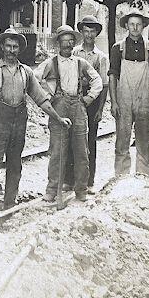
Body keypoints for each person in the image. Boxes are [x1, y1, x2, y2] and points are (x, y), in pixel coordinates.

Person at [0, 28, 70, 218]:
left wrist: (57, 118)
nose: (11, 50)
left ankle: (9, 207)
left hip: (18, 123)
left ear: (19, 49)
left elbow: (41, 99)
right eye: (8, 46)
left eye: (15, 47)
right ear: (2, 47)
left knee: (15, 165)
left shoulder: (26, 72)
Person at [36, 25, 102, 203]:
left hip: (79, 107)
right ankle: (52, 190)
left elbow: (98, 80)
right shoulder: (50, 63)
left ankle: (81, 190)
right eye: (64, 41)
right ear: (58, 43)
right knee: (58, 150)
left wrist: (88, 98)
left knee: (81, 150)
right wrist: (47, 96)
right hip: (59, 107)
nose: (68, 44)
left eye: (71, 41)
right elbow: (34, 79)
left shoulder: (81, 63)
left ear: (74, 43)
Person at [109, 9, 149, 178]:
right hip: (124, 99)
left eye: (138, 24)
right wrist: (114, 102)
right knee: (122, 139)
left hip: (144, 100)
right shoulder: (117, 48)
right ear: (126, 26)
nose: (135, 27)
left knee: (143, 138)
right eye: (131, 24)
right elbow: (112, 75)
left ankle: (143, 176)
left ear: (143, 26)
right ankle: (121, 176)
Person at [63, 15, 110, 192]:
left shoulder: (101, 57)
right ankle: (69, 179)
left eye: (92, 31)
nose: (89, 34)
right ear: (81, 32)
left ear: (97, 33)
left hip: (92, 100)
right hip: (74, 98)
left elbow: (104, 84)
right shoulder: (74, 52)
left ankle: (88, 181)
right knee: (70, 138)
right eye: (86, 31)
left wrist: (100, 109)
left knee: (90, 140)